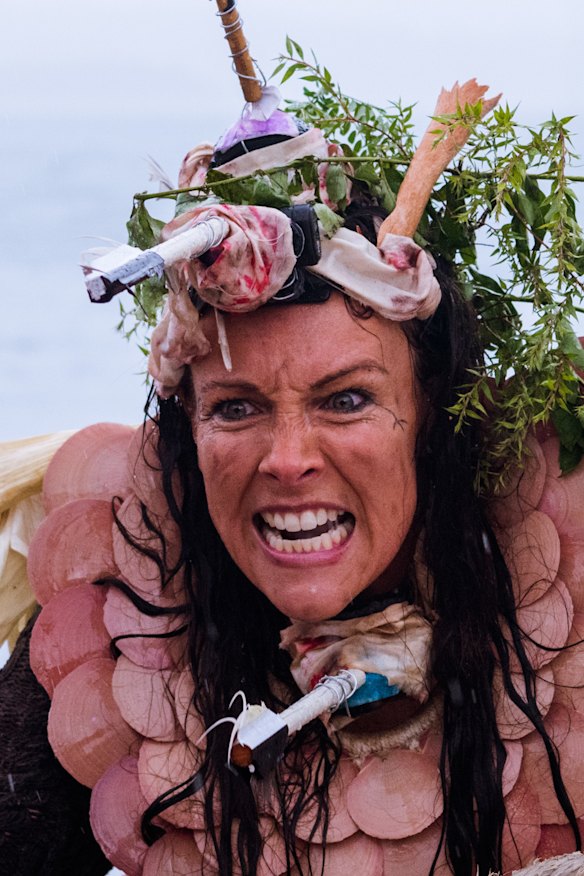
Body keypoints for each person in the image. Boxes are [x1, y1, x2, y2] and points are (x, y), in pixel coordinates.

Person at [2, 78, 584, 876]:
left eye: (346, 400)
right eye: (235, 410)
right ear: (186, 435)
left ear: (436, 422)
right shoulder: (123, 626)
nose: (287, 459)